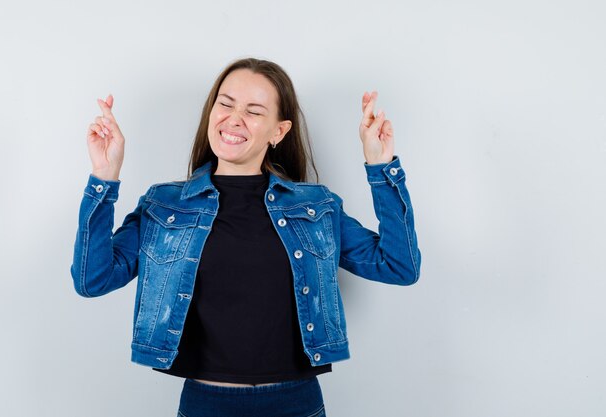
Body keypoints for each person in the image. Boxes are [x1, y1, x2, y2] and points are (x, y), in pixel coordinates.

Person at [71, 57, 421, 417]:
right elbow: (92, 279)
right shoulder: (164, 205)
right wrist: (104, 177)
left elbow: (398, 266)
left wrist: (382, 169)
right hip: (206, 405)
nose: (234, 118)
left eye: (254, 111)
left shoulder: (317, 207)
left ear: (278, 132)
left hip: (295, 405)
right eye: (225, 103)